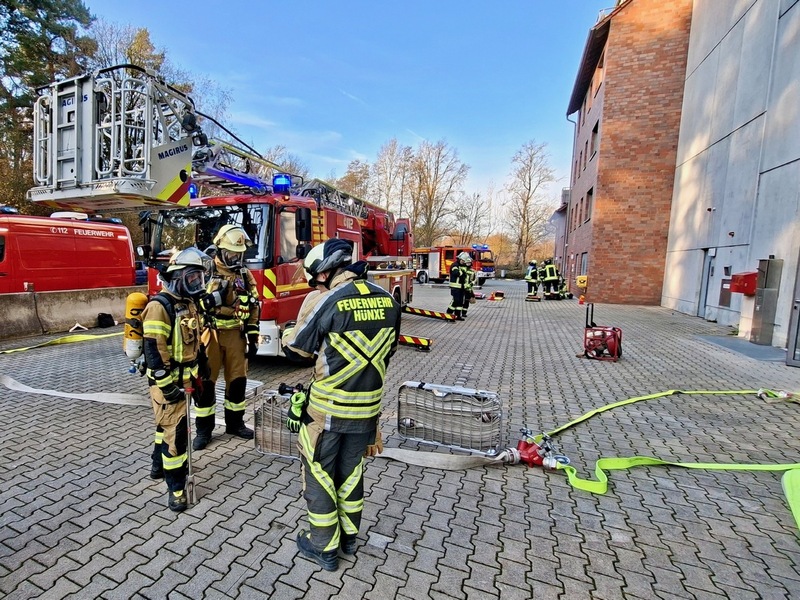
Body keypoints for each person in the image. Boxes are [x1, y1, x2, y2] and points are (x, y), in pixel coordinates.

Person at [281, 238, 402, 571]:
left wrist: (292, 328)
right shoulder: (389, 301)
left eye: (315, 278)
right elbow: (388, 352)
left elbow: (297, 352)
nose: (315, 284)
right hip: (367, 411)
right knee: (351, 476)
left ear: (324, 272)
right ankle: (349, 538)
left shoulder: (328, 300)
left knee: (319, 474)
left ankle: (324, 547)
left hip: (328, 411)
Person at [143, 247, 210, 512]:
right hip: (168, 382)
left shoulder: (188, 303)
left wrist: (202, 364)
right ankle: (177, 487)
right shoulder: (160, 306)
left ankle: (157, 466)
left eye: (199, 278)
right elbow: (152, 349)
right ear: (178, 276)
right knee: (177, 435)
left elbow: (196, 340)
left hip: (187, 378)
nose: (197, 283)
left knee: (166, 427)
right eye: (193, 278)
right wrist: (165, 384)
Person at [193, 224, 259, 450]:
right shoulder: (204, 271)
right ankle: (204, 430)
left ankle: (235, 423)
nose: (235, 258)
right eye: (231, 253)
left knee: (237, 381)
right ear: (220, 249)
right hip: (209, 334)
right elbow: (192, 302)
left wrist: (253, 335)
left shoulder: (244, 274)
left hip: (236, 336)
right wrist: (210, 301)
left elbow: (254, 305)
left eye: (239, 254)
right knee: (206, 383)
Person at [446, 251, 470, 321]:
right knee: (455, 301)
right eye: (462, 260)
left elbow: (466, 274)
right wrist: (462, 273)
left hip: (461, 287)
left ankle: (457, 315)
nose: (463, 262)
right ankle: (449, 314)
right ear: (459, 259)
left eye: (464, 261)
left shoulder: (462, 266)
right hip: (455, 287)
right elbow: (456, 273)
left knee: (460, 302)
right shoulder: (454, 265)